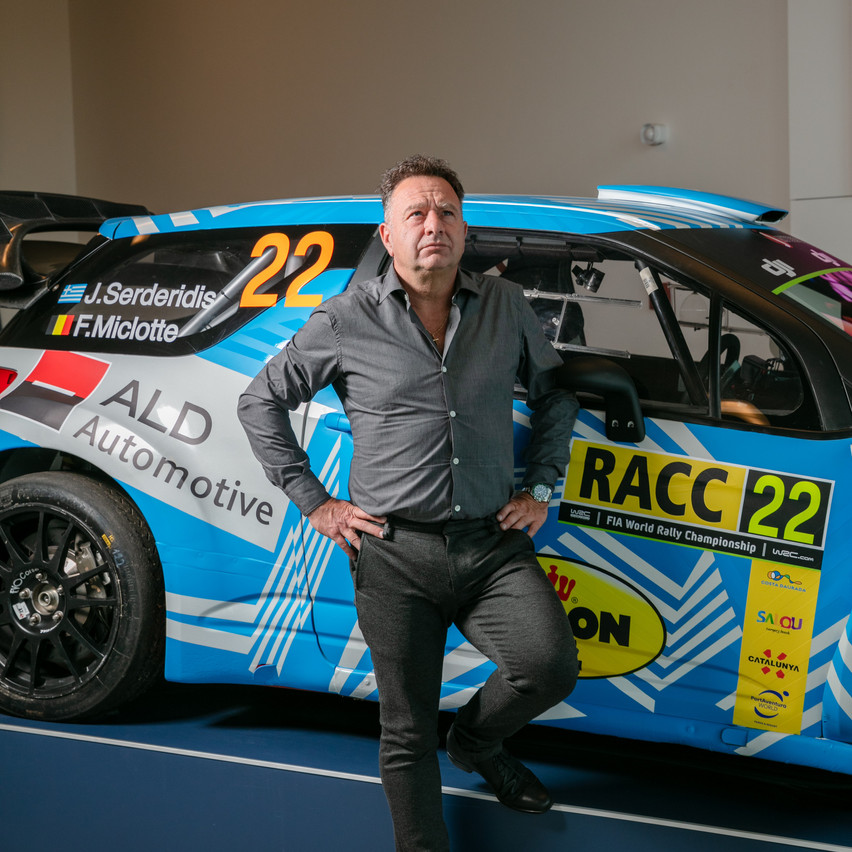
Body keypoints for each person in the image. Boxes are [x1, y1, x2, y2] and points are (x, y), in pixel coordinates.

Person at [238, 155, 579, 851]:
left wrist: (542, 484)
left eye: (447, 212)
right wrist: (316, 503)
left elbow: (556, 394)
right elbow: (260, 400)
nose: (434, 225)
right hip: (393, 554)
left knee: (549, 667)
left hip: (493, 547)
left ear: (464, 229)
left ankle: (478, 745)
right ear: (388, 236)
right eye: (416, 214)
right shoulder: (344, 319)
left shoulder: (506, 308)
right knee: (405, 729)